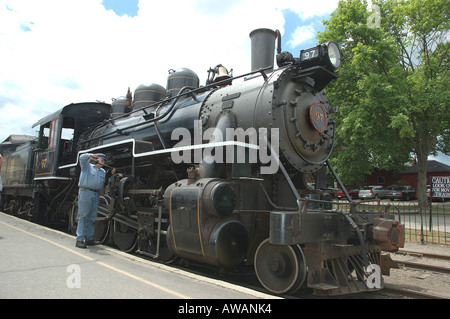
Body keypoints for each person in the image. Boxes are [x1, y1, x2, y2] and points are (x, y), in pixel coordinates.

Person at [75, 153, 115, 248]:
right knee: (83, 215)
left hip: (96, 193)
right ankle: (79, 239)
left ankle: (89, 239)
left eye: (104, 161)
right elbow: (81, 157)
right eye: (102, 160)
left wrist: (111, 174)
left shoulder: (102, 172)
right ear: (97, 159)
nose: (103, 162)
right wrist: (91, 155)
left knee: (92, 217)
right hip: (86, 191)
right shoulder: (87, 166)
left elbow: (106, 182)